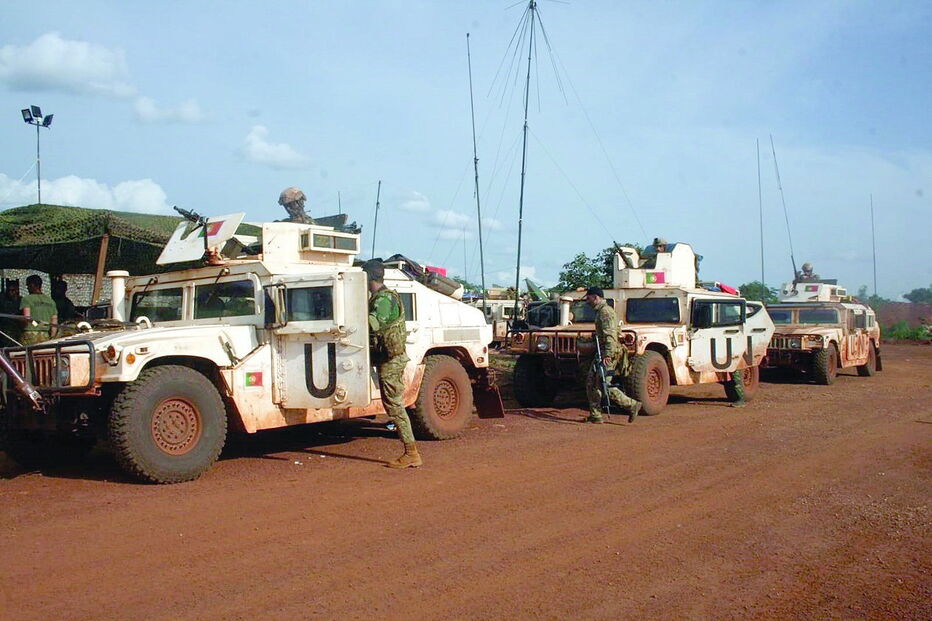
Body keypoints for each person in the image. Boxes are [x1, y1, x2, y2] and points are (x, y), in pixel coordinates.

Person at [362, 259, 421, 468]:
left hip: (391, 360)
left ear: (369, 278)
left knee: (394, 405)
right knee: (392, 404)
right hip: (388, 358)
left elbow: (373, 323)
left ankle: (411, 452)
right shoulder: (381, 297)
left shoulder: (383, 300)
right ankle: (410, 451)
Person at [580, 287, 641, 423]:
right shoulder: (601, 312)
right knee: (593, 383)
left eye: (588, 298)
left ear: (596, 297)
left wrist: (608, 354)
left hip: (608, 354)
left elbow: (610, 335)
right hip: (603, 353)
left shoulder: (605, 312)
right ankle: (596, 415)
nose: (587, 301)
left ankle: (631, 405)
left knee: (603, 384)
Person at [20, 274, 58, 345]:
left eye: (28, 285)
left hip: (30, 335)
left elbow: (27, 318)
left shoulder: (27, 299)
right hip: (45, 335)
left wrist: (36, 325)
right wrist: (52, 337)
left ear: (32, 285)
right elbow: (54, 322)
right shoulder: (51, 301)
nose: (27, 288)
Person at [0, 279, 23, 345]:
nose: (11, 292)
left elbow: (27, 317)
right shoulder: (2, 300)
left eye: (13, 290)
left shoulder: (21, 301)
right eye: (9, 290)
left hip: (18, 328)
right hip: (5, 327)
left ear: (17, 290)